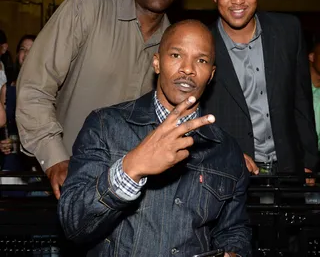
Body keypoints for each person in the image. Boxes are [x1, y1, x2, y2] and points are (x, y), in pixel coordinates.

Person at [58, 20, 252, 257]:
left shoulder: (227, 150)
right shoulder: (105, 125)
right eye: (176, 55)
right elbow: (73, 223)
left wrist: (235, 253)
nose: (188, 69)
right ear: (157, 62)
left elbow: (233, 231)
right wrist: (132, 167)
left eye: (201, 60)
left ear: (211, 74)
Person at [16, 0, 184, 199]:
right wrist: (55, 159)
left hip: (135, 194)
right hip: (64, 180)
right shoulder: (88, 8)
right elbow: (35, 85)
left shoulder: (175, 46)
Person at [204, 0, 318, 178]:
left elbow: (301, 101)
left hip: (289, 171)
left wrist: (310, 161)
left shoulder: (288, 31)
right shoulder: (202, 45)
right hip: (228, 175)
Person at [0, 35, 37, 195]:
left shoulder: (47, 90)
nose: (26, 53)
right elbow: (2, 124)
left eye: (32, 50)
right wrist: (1, 142)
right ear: (17, 55)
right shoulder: (6, 89)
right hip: (11, 159)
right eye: (23, 49)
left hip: (36, 161)